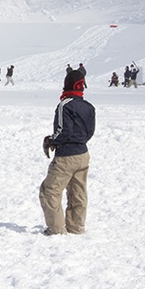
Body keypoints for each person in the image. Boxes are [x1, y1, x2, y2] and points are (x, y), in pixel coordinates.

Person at [40, 70, 95, 235]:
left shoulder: (65, 105)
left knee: (49, 191)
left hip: (66, 156)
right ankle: (76, 226)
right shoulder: (89, 107)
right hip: (83, 155)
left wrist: (51, 140)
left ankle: (56, 230)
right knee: (78, 191)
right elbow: (90, 131)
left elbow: (63, 130)